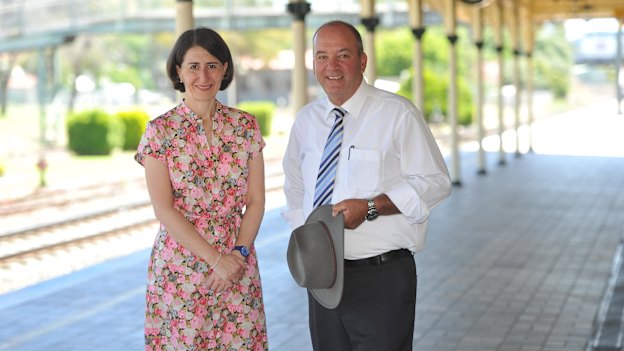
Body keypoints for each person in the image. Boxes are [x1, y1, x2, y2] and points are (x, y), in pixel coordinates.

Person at [282, 20, 452, 350]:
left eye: (343, 55)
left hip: (381, 277)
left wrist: (372, 207)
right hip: (324, 278)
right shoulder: (306, 120)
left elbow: (436, 182)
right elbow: (295, 187)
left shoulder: (397, 113)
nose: (331, 66)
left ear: (362, 61)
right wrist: (309, 240)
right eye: (321, 56)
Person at [135, 27, 268, 350]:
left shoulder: (245, 126)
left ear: (225, 69)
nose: (203, 76)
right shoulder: (160, 131)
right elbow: (163, 209)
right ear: (178, 71)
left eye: (212, 65)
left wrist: (237, 255)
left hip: (238, 263)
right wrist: (215, 260)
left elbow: (257, 200)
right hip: (180, 267)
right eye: (193, 66)